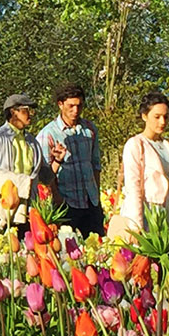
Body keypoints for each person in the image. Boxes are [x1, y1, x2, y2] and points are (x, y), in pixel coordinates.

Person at [0, 93, 60, 231]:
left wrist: (57, 160)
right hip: (2, 211)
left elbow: (45, 177)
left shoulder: (32, 142)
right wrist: (18, 182)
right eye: (26, 110)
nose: (31, 114)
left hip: (28, 210)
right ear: (13, 112)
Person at [113, 91, 169, 234]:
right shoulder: (136, 144)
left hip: (166, 210)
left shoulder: (166, 145)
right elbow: (133, 187)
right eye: (157, 117)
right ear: (144, 116)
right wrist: (137, 225)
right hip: (145, 210)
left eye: (166, 117)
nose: (162, 122)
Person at [35, 82, 104, 236]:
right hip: (66, 202)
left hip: (91, 201)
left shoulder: (89, 129)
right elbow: (45, 174)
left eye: (79, 106)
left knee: (99, 249)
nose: (76, 110)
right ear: (60, 104)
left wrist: (97, 195)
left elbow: (95, 165)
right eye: (71, 106)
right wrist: (57, 198)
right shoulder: (48, 134)